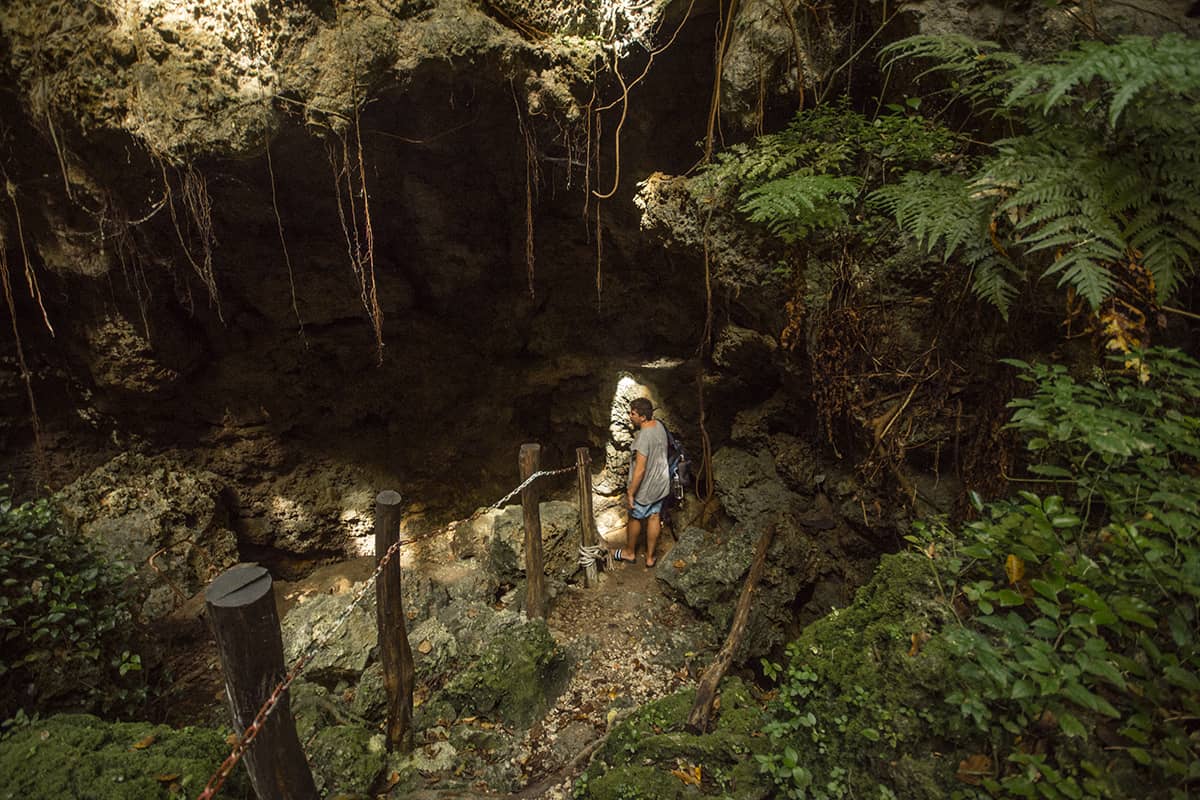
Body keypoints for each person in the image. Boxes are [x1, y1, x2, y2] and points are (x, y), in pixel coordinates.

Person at [613, 397, 670, 568]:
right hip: (661, 483)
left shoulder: (643, 437)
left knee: (634, 518)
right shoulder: (659, 425)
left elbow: (640, 469)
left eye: (633, 414)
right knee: (654, 516)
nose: (630, 417)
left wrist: (631, 492)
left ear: (643, 417)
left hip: (645, 488)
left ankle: (629, 552)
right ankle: (650, 558)